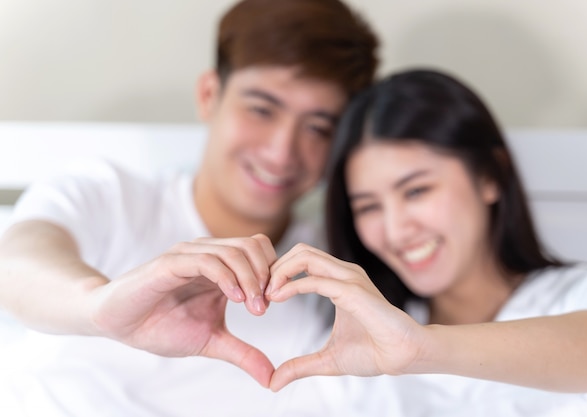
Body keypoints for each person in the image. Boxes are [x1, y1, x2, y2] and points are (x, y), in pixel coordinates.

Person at [0, 0, 378, 415]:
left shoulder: (337, 277)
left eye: (318, 128)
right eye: (261, 110)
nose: (280, 151)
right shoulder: (110, 196)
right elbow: (19, 261)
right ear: (209, 95)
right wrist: (100, 308)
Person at [266, 69, 587, 415]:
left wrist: (421, 348)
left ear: (489, 175)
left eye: (417, 190)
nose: (396, 231)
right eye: (368, 206)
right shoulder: (354, 354)